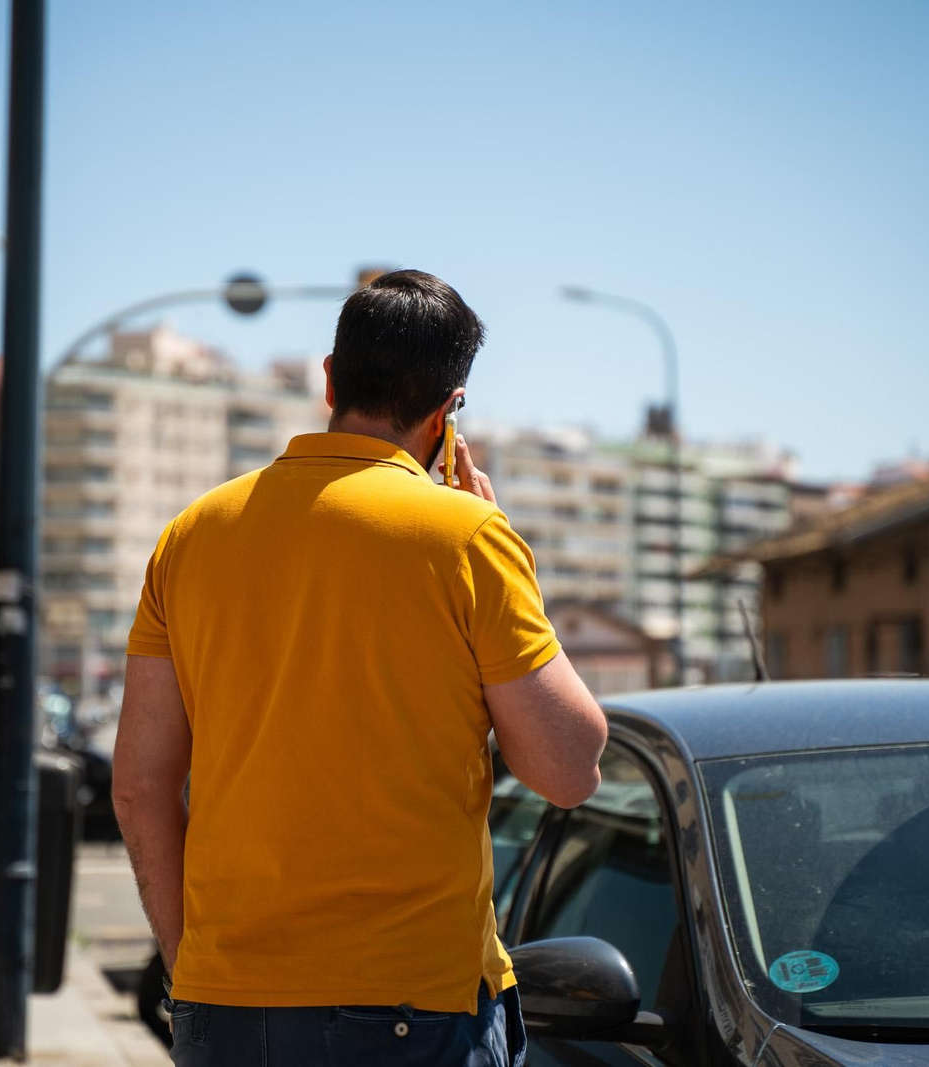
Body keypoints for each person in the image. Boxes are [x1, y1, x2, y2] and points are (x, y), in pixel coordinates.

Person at [113, 270, 609, 1066]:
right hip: (412, 1010)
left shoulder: (191, 536)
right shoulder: (468, 538)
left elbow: (140, 787)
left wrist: (192, 971)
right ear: (448, 413)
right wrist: (498, 549)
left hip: (226, 1006)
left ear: (330, 380)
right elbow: (570, 768)